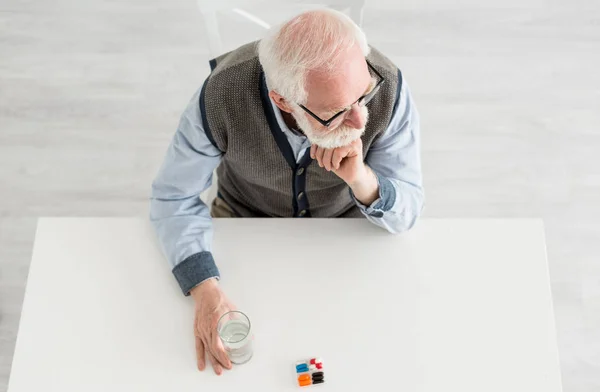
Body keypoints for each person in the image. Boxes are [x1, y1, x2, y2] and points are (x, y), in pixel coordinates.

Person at [150, 9, 424, 375]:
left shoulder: (388, 87)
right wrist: (204, 288)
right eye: (337, 112)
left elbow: (408, 209)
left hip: (346, 232)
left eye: (363, 96)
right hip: (243, 222)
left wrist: (363, 179)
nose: (360, 120)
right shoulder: (220, 95)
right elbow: (173, 198)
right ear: (282, 101)